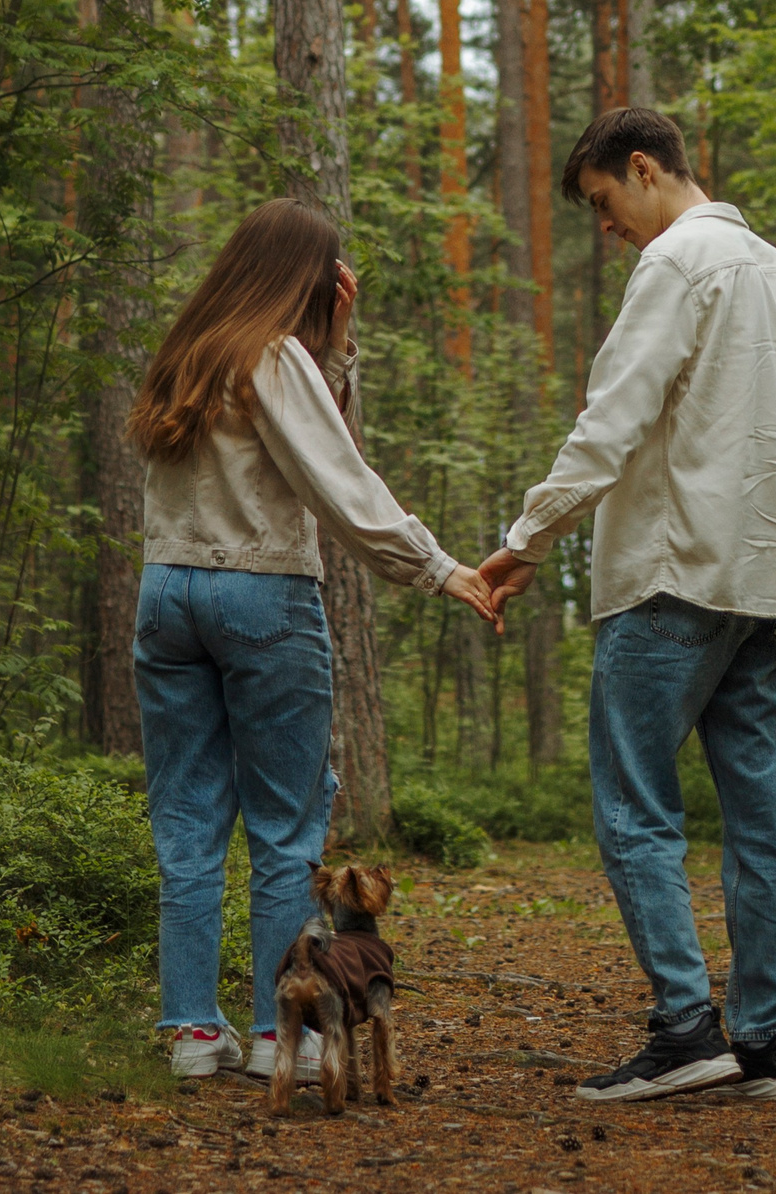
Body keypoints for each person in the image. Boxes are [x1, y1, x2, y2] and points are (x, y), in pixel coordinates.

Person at [479, 108, 776, 1103]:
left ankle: (684, 1026)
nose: (605, 225)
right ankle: (768, 1042)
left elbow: (610, 423)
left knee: (635, 804)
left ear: (644, 168)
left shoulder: (679, 263)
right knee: (767, 817)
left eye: (602, 201)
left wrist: (523, 541)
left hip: (676, 575)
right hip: (769, 577)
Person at [129, 198, 497, 1083]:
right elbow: (337, 474)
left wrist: (338, 346)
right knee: (287, 825)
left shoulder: (188, 351)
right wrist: (437, 566)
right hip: (260, 593)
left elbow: (307, 439)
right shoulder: (273, 354)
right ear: (309, 277)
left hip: (166, 591)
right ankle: (269, 1031)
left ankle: (189, 1033)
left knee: (185, 820)